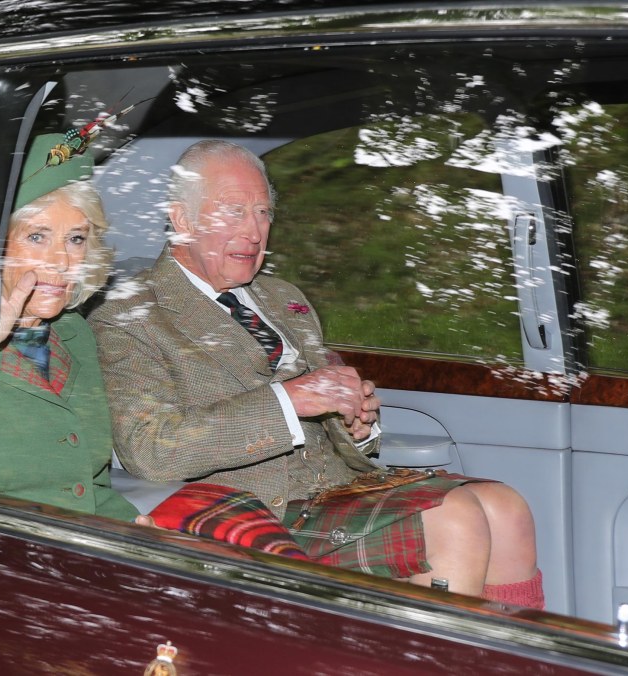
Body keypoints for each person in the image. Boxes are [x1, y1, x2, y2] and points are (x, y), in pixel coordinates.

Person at [91, 139, 544, 608]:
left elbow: (331, 422)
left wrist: (358, 424)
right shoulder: (132, 314)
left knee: (506, 508)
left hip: (336, 491)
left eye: (263, 213)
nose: (254, 232)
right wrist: (291, 401)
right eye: (234, 211)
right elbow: (150, 448)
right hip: (251, 510)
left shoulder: (283, 297)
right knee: (455, 518)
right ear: (181, 219)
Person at [0, 132, 308, 561]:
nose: (62, 261)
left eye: (75, 239)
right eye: (37, 237)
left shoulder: (73, 336)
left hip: (83, 545)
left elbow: (90, 485)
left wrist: (131, 527)